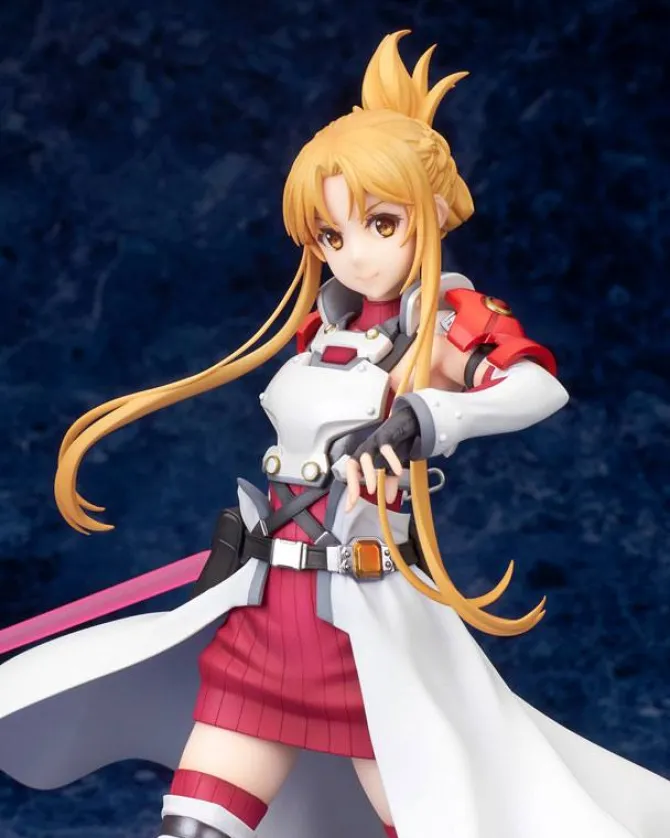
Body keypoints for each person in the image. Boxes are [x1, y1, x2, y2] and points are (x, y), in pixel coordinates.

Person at [0, 30, 668, 838]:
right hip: (266, 607)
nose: (355, 255)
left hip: (364, 622)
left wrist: (428, 418)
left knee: (430, 814)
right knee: (195, 821)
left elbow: (538, 387)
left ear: (432, 213)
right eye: (331, 235)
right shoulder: (323, 329)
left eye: (382, 224)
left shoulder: (442, 324)